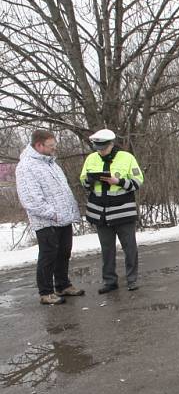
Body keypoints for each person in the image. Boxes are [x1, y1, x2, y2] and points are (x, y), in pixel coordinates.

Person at [15, 130, 84, 305]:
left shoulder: (51, 164)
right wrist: (52, 213)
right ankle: (45, 292)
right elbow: (30, 198)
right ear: (39, 145)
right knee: (48, 255)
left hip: (63, 218)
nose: (54, 149)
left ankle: (63, 285)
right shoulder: (26, 166)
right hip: (46, 220)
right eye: (51, 146)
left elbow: (63, 191)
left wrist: (70, 210)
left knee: (64, 252)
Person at [79, 129, 144, 293]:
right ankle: (110, 281)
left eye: (103, 147)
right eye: (97, 147)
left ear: (111, 144)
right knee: (107, 249)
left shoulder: (127, 158)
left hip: (123, 211)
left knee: (130, 248)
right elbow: (83, 181)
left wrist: (119, 181)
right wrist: (89, 180)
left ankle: (132, 280)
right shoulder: (91, 159)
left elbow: (138, 181)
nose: (100, 151)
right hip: (100, 212)